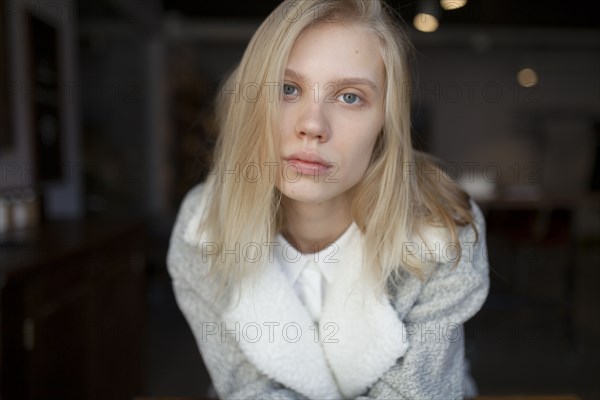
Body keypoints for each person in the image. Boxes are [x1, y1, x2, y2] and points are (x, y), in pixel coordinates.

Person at [167, 0, 490, 398]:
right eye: (288, 89)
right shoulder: (203, 229)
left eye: (350, 97)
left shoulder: (443, 228)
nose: (313, 125)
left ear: (385, 125)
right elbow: (249, 390)